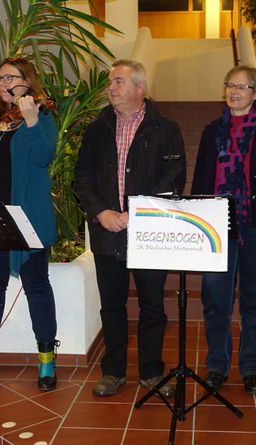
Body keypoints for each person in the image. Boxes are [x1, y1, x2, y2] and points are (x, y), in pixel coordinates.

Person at [75, 59, 186, 397]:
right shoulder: (97, 129)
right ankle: (114, 371)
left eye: (119, 82)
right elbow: (82, 177)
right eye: (111, 82)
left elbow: (174, 178)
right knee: (112, 305)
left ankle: (151, 372)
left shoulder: (166, 128)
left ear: (140, 87)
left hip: (149, 231)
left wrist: (138, 212)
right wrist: (101, 213)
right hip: (107, 231)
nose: (111, 88)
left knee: (153, 305)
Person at [191, 65, 256, 395]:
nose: (233, 91)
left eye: (241, 86)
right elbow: (200, 183)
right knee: (215, 300)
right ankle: (218, 366)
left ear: (255, 93)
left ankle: (251, 367)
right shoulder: (211, 132)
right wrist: (197, 223)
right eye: (229, 85)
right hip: (217, 227)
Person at [0, 57, 60, 391]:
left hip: (28, 219)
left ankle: (47, 358)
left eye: (12, 77)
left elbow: (44, 157)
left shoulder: (42, 115)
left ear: (28, 81)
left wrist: (32, 121)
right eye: (1, 77)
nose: (5, 83)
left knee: (36, 286)